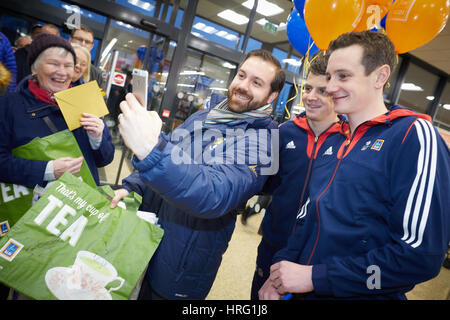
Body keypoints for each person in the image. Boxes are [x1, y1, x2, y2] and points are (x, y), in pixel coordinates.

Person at [259, 30, 450, 300]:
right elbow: (307, 217)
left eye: (343, 76)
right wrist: (278, 274)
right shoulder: (335, 140)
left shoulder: (412, 135)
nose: (332, 86)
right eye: (330, 77)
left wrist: (317, 277)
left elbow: (420, 257)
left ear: (380, 76)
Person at [111, 49, 285, 300]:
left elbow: (214, 193)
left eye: (256, 83)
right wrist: (131, 185)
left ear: (272, 95)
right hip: (146, 239)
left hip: (182, 267)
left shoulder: (263, 141)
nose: (243, 86)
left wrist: (150, 150)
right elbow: (171, 149)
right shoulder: (204, 116)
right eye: (241, 75)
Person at [250, 53, 345, 300]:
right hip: (273, 246)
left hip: (314, 261)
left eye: (322, 91)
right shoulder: (284, 133)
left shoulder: (349, 141)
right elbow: (261, 183)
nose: (311, 96)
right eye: (308, 88)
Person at [0, 33, 114, 189]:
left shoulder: (84, 101)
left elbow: (105, 159)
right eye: (53, 64)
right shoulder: (10, 105)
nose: (62, 72)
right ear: (34, 67)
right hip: (30, 208)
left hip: (80, 205)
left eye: (68, 66)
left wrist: (98, 138)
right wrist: (47, 170)